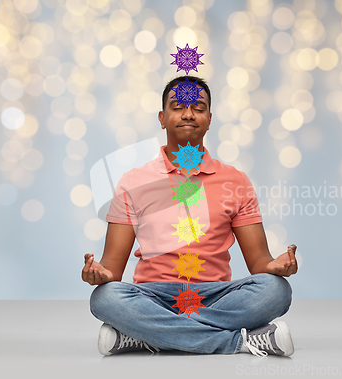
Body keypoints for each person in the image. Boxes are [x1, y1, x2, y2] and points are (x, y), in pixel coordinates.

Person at [82, 75, 299, 357]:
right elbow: (113, 265)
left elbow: (258, 260)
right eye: (177, 106)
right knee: (105, 298)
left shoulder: (236, 181)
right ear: (162, 118)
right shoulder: (133, 182)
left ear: (209, 118)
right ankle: (238, 343)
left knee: (276, 291)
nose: (188, 114)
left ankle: (146, 335)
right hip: (153, 297)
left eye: (198, 107)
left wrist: (275, 267)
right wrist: (100, 273)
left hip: (215, 296)